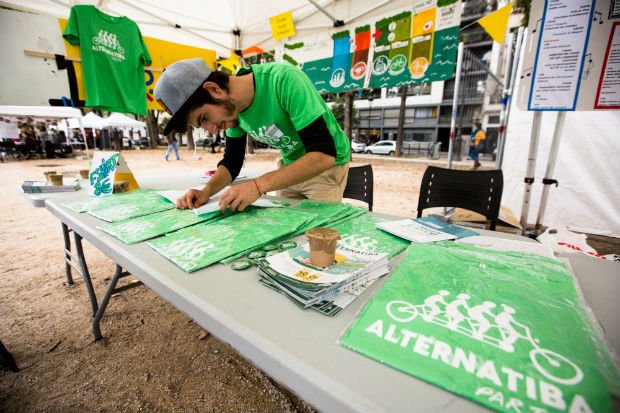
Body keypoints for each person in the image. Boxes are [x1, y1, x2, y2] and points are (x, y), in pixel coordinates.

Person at [154, 58, 350, 213]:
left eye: (205, 118)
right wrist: (207, 190)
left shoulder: (284, 80)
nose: (212, 129)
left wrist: (257, 186)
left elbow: (323, 155)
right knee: (285, 231)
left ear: (214, 90)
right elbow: (232, 161)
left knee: (317, 241)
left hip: (326, 169)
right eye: (202, 125)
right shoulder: (232, 110)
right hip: (290, 166)